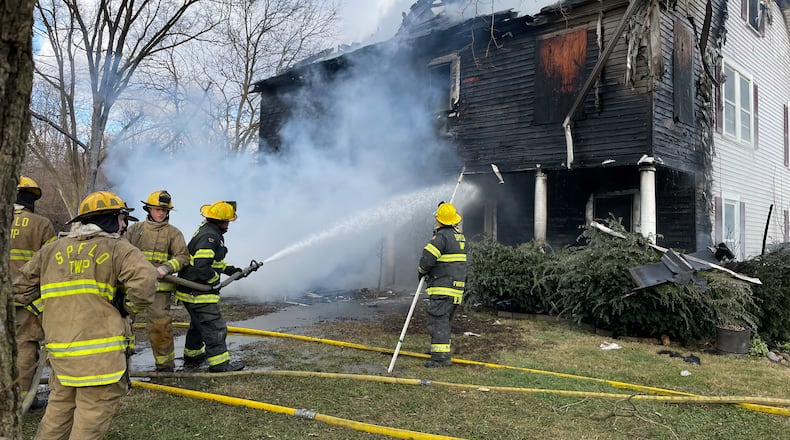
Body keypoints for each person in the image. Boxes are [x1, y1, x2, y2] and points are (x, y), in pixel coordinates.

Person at [14, 191, 157, 439]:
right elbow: (144, 284)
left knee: (57, 414)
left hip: (62, 356)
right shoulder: (118, 249)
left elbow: (18, 290)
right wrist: (127, 308)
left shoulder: (51, 251)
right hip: (101, 361)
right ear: (112, 218)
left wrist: (45, 308)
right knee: (89, 422)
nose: (124, 226)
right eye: (122, 219)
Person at [175, 200, 245, 372]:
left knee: (198, 324)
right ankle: (220, 364)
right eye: (227, 221)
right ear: (220, 221)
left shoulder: (208, 232)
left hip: (190, 291)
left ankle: (193, 354)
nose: (228, 225)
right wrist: (214, 281)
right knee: (214, 327)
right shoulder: (210, 237)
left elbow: (212, 262)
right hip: (198, 292)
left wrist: (232, 271)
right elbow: (202, 267)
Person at [124, 190, 189, 372]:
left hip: (160, 289)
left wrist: (166, 268)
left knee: (160, 326)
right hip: (134, 286)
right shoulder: (135, 230)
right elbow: (121, 253)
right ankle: (121, 362)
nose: (161, 213)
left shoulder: (173, 233)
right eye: (157, 209)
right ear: (148, 209)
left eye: (164, 210)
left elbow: (183, 257)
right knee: (123, 322)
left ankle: (165, 366)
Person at [10, 176, 56, 410]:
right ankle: (22, 399)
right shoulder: (41, 225)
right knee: (25, 344)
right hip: (24, 298)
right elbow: (52, 266)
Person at [417, 202, 467, 368]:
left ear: (439, 221)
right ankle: (439, 351)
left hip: (443, 288)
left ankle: (440, 358)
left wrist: (421, 271)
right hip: (456, 289)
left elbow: (427, 259)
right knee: (444, 321)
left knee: (438, 321)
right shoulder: (459, 237)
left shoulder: (441, 238)